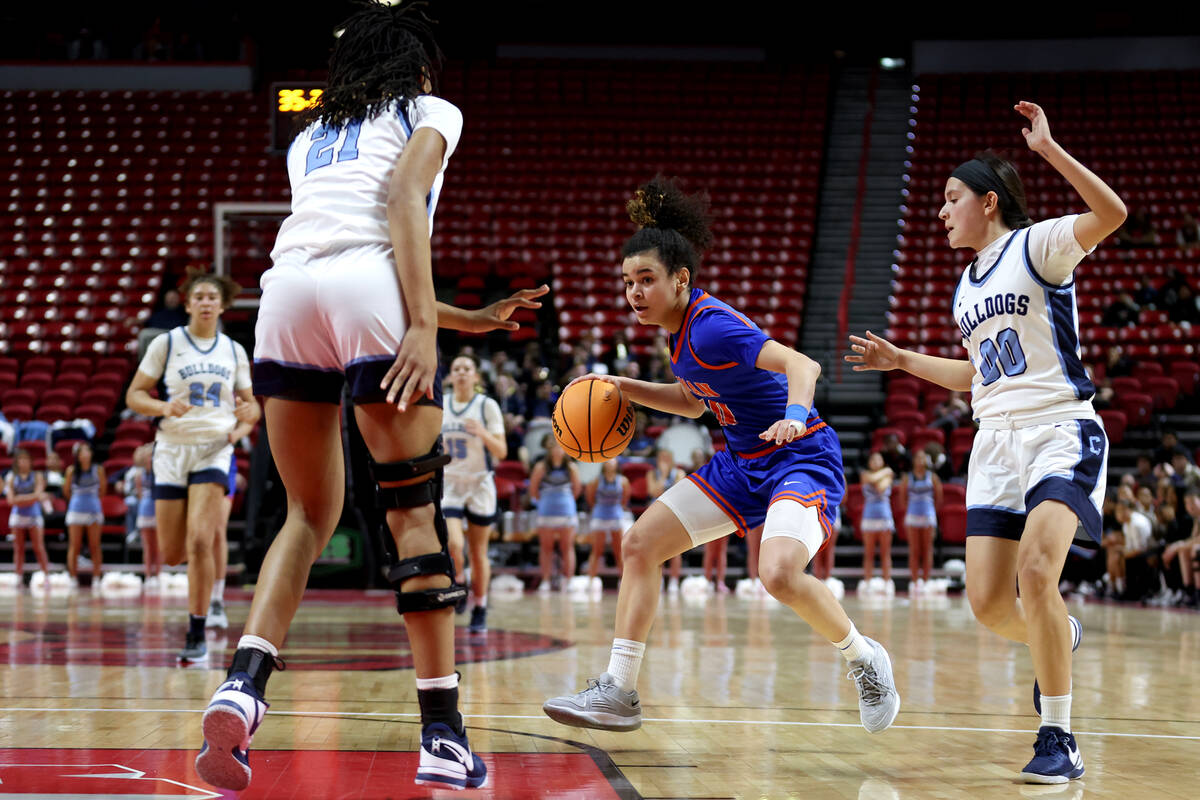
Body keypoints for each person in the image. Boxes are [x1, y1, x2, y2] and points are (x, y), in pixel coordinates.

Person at [190, 4, 545, 790]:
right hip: (370, 293)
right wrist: (426, 324)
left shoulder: (307, 139)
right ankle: (444, 737)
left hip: (284, 301)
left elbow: (338, 249)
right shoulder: (430, 108)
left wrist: (463, 318)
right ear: (415, 65)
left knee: (308, 516)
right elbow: (396, 210)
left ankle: (242, 688)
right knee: (413, 515)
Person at [544, 176, 899, 740]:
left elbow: (803, 365)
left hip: (799, 455)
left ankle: (864, 659)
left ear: (680, 279)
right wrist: (620, 384)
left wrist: (796, 413)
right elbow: (692, 403)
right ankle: (619, 690)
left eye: (647, 280)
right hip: (742, 462)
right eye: (628, 283)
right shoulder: (678, 335)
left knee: (778, 574)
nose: (635, 293)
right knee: (639, 545)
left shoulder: (712, 327)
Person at [847, 101, 1126, 782]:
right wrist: (903, 361)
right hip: (994, 441)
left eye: (951, 198)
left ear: (989, 201)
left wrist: (1051, 151)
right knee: (988, 603)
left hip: (1059, 427)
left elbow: (1112, 213)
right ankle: (1061, 632)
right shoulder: (965, 286)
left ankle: (1058, 737)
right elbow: (975, 373)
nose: (941, 212)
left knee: (1038, 572)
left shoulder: (1037, 245)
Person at [126, 268, 259, 662]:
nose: (205, 302)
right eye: (198, 296)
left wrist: (246, 416)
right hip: (171, 449)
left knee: (202, 538)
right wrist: (164, 406)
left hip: (213, 448)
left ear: (223, 306)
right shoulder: (166, 344)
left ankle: (197, 630)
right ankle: (201, 600)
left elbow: (250, 406)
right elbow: (135, 395)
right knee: (172, 553)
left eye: (212, 297)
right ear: (187, 303)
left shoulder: (234, 351)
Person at [442, 353, 507, 633]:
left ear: (476, 376)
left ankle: (480, 606)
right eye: (457, 368)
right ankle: (458, 579)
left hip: (480, 483)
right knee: (454, 543)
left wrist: (481, 432)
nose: (462, 372)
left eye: (467, 368)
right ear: (450, 376)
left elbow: (502, 452)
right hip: (451, 482)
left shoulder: (486, 406)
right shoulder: (441, 405)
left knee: (478, 552)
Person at [529, 436, 581, 593]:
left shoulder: (571, 467)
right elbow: (533, 489)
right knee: (546, 548)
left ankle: (569, 580)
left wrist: (565, 501)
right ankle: (545, 580)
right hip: (546, 511)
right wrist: (544, 501)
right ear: (549, 449)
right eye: (555, 447)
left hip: (566, 511)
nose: (558, 451)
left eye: (561, 447)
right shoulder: (541, 467)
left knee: (567, 547)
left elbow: (577, 490)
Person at [5, 448, 51, 582]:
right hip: (17, 516)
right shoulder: (11, 477)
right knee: (18, 548)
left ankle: (46, 575)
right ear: (17, 462)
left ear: (31, 462)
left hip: (34, 515)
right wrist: (33, 497)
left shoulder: (37, 476)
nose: (23, 462)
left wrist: (20, 498)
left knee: (39, 547)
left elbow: (37, 496)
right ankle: (18, 576)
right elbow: (11, 501)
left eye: (26, 459)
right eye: (21, 459)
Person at [583, 458, 629, 593]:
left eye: (613, 460)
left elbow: (625, 499)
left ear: (617, 464)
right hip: (600, 516)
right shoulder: (597, 480)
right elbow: (590, 498)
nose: (610, 463)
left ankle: (623, 581)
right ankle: (590, 581)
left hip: (616, 516)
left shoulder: (623, 480)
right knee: (596, 551)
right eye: (608, 461)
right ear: (603, 464)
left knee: (619, 552)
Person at [64, 441, 106, 585]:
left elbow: (103, 490)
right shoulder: (71, 471)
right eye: (82, 452)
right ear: (77, 455)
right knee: (74, 545)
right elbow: (66, 492)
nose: (85, 454)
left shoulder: (98, 469)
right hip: (76, 510)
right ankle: (73, 577)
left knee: (95, 545)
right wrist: (78, 500)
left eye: (87, 451)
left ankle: (96, 578)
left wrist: (91, 500)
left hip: (93, 510)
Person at [902, 451, 942, 593]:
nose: (920, 460)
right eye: (917, 457)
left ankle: (926, 581)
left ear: (926, 460)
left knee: (927, 549)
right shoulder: (908, 477)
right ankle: (914, 582)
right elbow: (902, 498)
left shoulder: (933, 477)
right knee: (914, 550)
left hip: (928, 516)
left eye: (923, 457)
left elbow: (939, 498)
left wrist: (931, 511)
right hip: (912, 516)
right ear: (913, 460)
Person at [647, 447, 686, 593]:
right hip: (655, 516)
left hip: (674, 515)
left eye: (667, 458)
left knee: (675, 549)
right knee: (657, 550)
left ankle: (674, 581)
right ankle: (659, 580)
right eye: (661, 458)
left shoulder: (679, 473)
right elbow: (652, 491)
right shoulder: (652, 473)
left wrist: (664, 479)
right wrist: (663, 476)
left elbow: (677, 493)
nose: (664, 461)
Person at [859, 452, 895, 593]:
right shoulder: (865, 474)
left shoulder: (887, 477)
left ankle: (887, 583)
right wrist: (886, 471)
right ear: (869, 462)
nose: (875, 461)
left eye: (878, 459)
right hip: (869, 517)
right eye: (872, 459)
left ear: (882, 461)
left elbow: (881, 487)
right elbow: (871, 479)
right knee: (869, 553)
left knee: (885, 553)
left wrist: (883, 474)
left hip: (884, 517)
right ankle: (867, 582)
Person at [128, 443, 162, 590]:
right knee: (148, 547)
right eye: (148, 456)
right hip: (145, 510)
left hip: (159, 510)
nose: (150, 458)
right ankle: (148, 575)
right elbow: (141, 495)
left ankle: (158, 575)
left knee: (158, 547)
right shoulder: (139, 475)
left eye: (152, 455)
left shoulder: (161, 473)